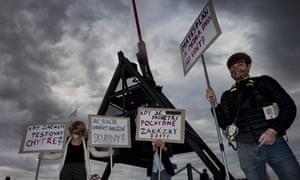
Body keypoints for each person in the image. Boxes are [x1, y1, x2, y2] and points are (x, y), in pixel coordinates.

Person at [206, 52, 300, 180]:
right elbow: (224, 123)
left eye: (240, 64)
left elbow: (288, 106)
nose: (236, 69)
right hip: (245, 149)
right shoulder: (227, 95)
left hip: (273, 142)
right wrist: (214, 104)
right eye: (232, 68)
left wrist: (273, 130)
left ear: (249, 66)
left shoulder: (264, 82)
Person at [39, 120, 112, 180]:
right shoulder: (66, 141)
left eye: (77, 132)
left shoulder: (87, 142)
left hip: (81, 169)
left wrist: (108, 153)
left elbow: (95, 153)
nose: (75, 134)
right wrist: (44, 156)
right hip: (66, 169)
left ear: (82, 132)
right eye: (73, 132)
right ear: (71, 131)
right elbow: (58, 155)